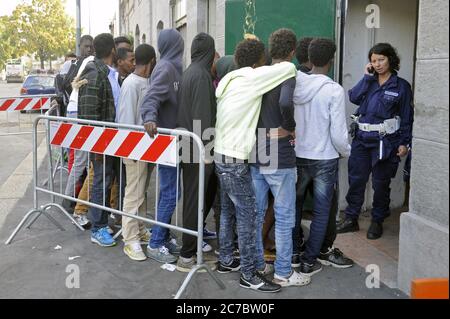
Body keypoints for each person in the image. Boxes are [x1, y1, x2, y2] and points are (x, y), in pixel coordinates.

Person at [214, 38, 297, 293]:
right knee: (249, 218)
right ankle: (249, 275)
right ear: (258, 60)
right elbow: (287, 69)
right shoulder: (252, 78)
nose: (267, 58)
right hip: (236, 158)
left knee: (229, 211)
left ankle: (227, 259)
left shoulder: (230, 80)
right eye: (264, 56)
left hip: (220, 153)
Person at [250, 28, 310, 287]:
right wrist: (291, 125)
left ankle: (257, 266)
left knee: (256, 212)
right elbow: (286, 102)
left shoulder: (258, 73)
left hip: (257, 147)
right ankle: (283, 272)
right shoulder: (287, 72)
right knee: (285, 216)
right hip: (279, 149)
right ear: (293, 52)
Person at [337, 43, 414, 240]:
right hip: (362, 141)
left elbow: (406, 118)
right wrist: (366, 77)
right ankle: (351, 218)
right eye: (373, 61)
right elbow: (353, 97)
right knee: (357, 180)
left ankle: (377, 220)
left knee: (381, 184)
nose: (377, 64)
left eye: (381, 59)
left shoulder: (401, 86)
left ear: (390, 60)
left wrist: (405, 143)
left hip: (386, 143)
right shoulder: (369, 82)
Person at [293, 38, 353, 276]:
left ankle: (295, 253)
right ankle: (310, 260)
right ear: (331, 60)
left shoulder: (295, 83)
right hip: (324, 158)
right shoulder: (333, 90)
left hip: (297, 155)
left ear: (308, 57)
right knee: (321, 211)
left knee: (294, 206)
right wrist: (346, 151)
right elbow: (338, 133)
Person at [176, 33, 218, 272]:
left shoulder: (189, 72)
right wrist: (208, 154)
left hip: (187, 146)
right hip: (197, 150)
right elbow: (203, 118)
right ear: (210, 52)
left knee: (194, 199)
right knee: (195, 200)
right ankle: (187, 256)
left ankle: (190, 249)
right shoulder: (201, 76)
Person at [141, 29, 184, 264]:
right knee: (170, 192)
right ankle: (156, 243)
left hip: (173, 141)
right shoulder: (167, 68)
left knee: (168, 191)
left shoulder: (172, 66)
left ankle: (164, 235)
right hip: (166, 141)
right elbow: (150, 98)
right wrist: (149, 118)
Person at [77, 33, 118, 247]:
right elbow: (91, 115)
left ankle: (102, 222)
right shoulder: (95, 75)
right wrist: (98, 144)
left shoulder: (106, 73)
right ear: (112, 50)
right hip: (101, 141)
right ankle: (98, 228)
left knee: (105, 181)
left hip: (109, 140)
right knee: (100, 183)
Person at [117, 44, 156, 261]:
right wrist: (129, 149)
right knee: (133, 193)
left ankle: (139, 229)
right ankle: (130, 239)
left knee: (141, 193)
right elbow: (125, 119)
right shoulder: (131, 84)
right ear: (151, 61)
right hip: (133, 149)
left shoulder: (146, 81)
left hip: (146, 149)